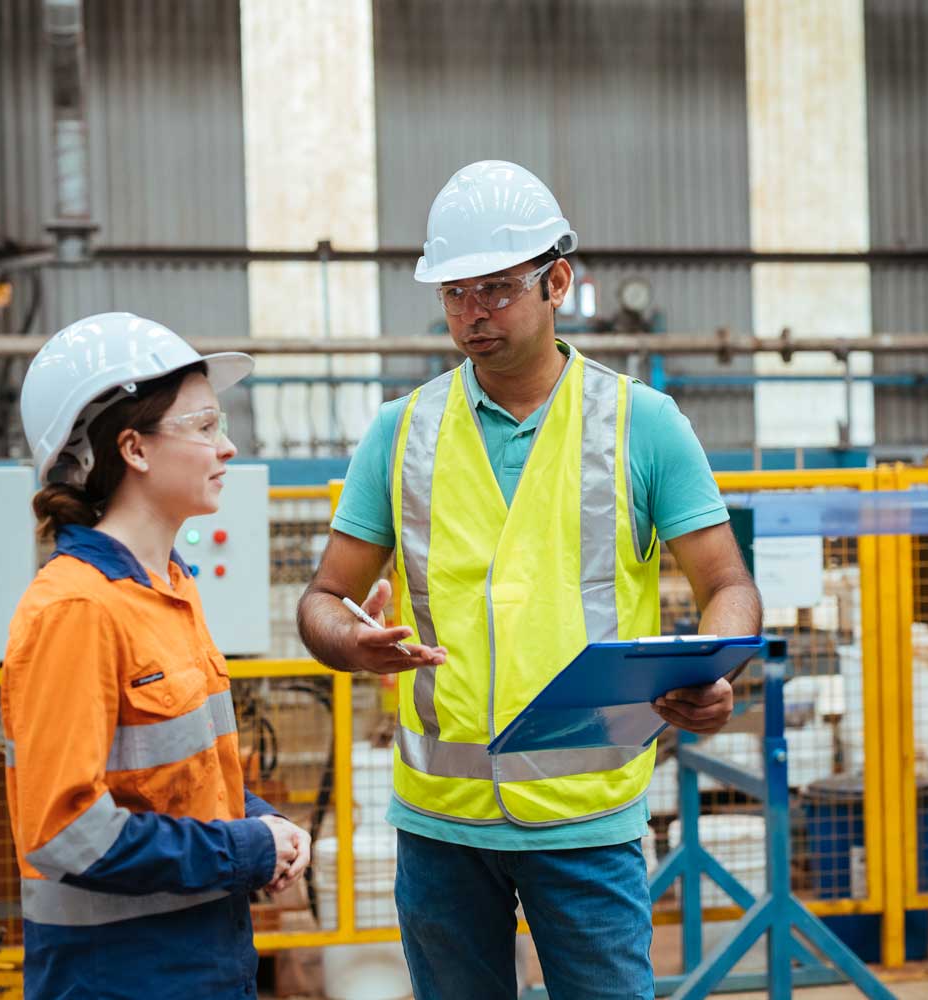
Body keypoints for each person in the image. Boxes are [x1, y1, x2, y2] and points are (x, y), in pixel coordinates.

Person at [296, 161, 761, 1000]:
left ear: (558, 281)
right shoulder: (400, 434)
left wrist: (712, 671)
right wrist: (351, 642)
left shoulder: (642, 425)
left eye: (497, 289)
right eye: (453, 293)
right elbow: (321, 601)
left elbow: (727, 583)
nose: (472, 314)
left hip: (587, 818)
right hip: (441, 827)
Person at [3, 312, 311, 999]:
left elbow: (179, 782)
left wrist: (262, 821)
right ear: (134, 449)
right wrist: (244, 849)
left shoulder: (171, 587)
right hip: (117, 976)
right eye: (204, 428)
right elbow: (66, 833)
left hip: (202, 963)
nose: (227, 448)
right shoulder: (77, 610)